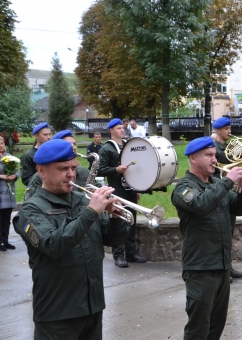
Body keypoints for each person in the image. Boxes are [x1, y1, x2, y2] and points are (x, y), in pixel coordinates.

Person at [13, 139, 128, 340]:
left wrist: (116, 216)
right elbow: (53, 244)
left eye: (73, 167)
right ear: (41, 171)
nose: (71, 174)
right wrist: (91, 211)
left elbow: (113, 240)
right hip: (57, 314)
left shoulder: (82, 200)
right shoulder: (31, 210)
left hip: (92, 307)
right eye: (62, 168)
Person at [171, 136, 242, 340]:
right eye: (208, 155)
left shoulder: (218, 183)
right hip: (200, 268)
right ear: (193, 158)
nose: (214, 159)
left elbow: (240, 209)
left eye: (214, 155)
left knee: (217, 323)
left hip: (222, 264)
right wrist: (228, 181)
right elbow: (201, 204)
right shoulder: (183, 188)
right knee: (198, 327)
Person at [98, 118, 147, 268]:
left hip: (130, 188)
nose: (121, 130)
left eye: (122, 127)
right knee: (119, 221)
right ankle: (118, 255)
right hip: (116, 189)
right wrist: (115, 170)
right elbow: (100, 170)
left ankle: (131, 253)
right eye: (118, 128)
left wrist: (137, 188)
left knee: (132, 221)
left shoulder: (127, 145)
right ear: (111, 130)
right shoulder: (106, 148)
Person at [212, 117, 242, 280]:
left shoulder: (230, 145)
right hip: (219, 186)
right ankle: (221, 269)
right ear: (218, 130)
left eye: (230, 128)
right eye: (226, 129)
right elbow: (223, 158)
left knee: (229, 228)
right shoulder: (214, 146)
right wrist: (240, 147)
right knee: (221, 231)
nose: (230, 132)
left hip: (233, 187)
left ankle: (227, 266)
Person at [25, 130, 91, 200]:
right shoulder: (38, 178)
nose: (73, 149)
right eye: (67, 145)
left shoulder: (83, 171)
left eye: (74, 144)